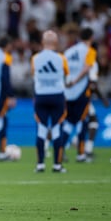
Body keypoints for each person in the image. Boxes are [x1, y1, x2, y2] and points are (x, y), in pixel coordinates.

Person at [30, 30, 69, 173]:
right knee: (57, 129)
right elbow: (66, 74)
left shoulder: (35, 58)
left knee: (41, 130)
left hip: (41, 95)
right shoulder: (61, 58)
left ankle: (40, 164)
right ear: (56, 42)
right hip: (57, 95)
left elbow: (33, 74)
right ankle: (57, 165)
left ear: (42, 42)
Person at [62, 27, 97, 162]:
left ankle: (61, 149)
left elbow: (63, 70)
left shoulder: (69, 51)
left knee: (68, 122)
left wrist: (67, 83)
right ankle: (81, 154)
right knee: (83, 121)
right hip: (81, 92)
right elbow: (87, 68)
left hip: (67, 92)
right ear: (91, 37)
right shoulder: (90, 51)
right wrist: (76, 81)